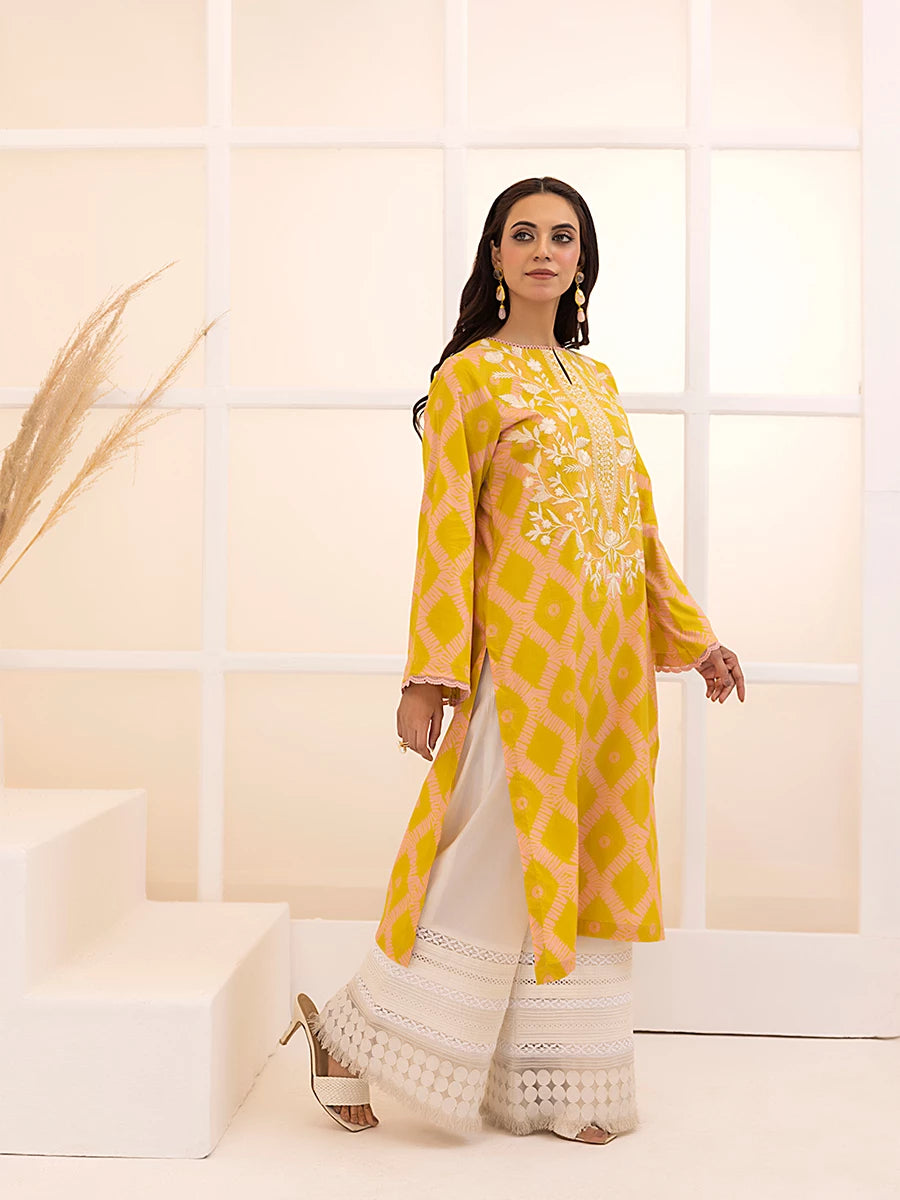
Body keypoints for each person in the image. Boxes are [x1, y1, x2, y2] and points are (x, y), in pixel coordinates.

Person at [282, 176, 745, 1143]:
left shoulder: (597, 383)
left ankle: (566, 1086)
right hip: (524, 667)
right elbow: (447, 534)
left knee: (587, 857)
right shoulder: (470, 380)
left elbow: (636, 531)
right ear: (496, 256)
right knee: (493, 861)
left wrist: (695, 638)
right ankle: (355, 1038)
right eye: (523, 234)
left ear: (582, 260)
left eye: (562, 236)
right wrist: (429, 677)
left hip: (610, 676)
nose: (543, 250)